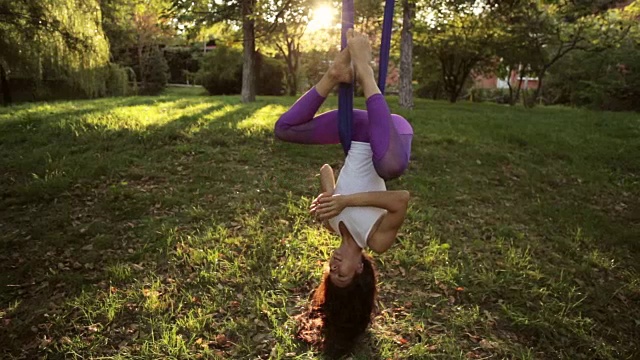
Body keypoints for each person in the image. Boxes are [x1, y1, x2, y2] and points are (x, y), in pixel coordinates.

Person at [274, 29, 413, 357]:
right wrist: (347, 200)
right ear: (359, 270)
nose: (333, 266)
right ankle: (364, 70)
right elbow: (400, 198)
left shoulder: (331, 223)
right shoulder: (376, 241)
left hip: (358, 131)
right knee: (391, 167)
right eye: (342, 274)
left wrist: (326, 198)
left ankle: (333, 74)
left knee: (284, 130)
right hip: (389, 134)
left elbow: (326, 169)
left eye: (330, 272)